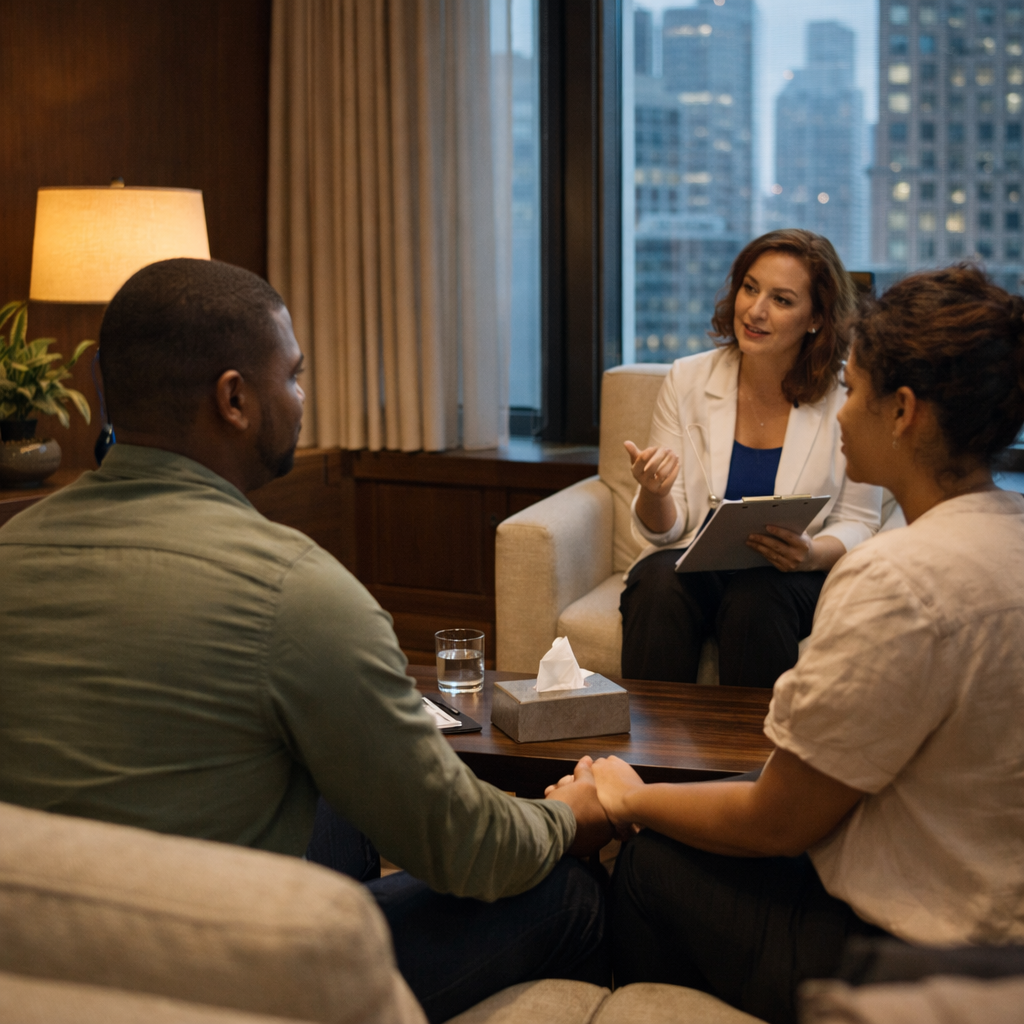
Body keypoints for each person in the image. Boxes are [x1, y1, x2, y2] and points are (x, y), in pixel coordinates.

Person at [0, 258, 611, 1024]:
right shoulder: (297, 590)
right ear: (235, 399)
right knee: (571, 890)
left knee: (330, 784)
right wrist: (572, 817)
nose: (300, 397)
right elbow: (466, 848)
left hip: (36, 955)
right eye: (293, 376)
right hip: (224, 976)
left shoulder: (13, 549)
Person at [568, 264, 1024, 1024]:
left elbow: (778, 823)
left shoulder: (893, 582)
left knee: (646, 865)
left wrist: (627, 797)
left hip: (913, 957)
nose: (840, 414)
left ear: (902, 411)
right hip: (995, 916)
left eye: (852, 391)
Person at [620, 229, 883, 687]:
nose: (755, 311)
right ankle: (648, 753)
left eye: (781, 300)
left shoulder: (850, 393)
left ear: (817, 317)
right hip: (694, 561)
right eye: (750, 288)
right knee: (657, 584)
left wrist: (809, 555)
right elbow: (666, 529)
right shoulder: (687, 378)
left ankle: (753, 758)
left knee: (756, 600)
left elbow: (861, 519)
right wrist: (654, 491)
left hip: (789, 573)